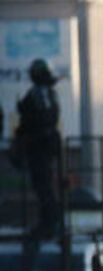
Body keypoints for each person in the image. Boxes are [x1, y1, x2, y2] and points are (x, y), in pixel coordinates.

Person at [12, 58, 62, 239]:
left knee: (44, 186)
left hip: (40, 146)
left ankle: (50, 222)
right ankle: (49, 221)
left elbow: (43, 118)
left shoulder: (40, 94)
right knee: (43, 186)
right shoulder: (46, 93)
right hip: (41, 145)